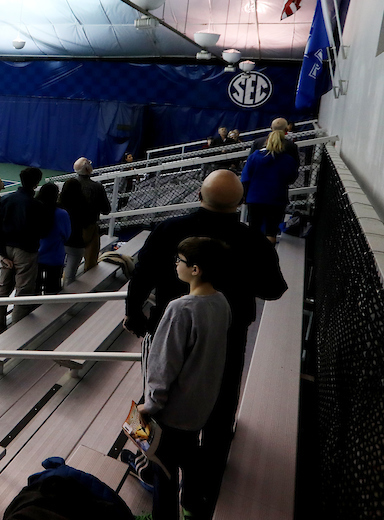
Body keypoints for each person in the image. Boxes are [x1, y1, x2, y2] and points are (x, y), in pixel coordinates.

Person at [123, 169, 287, 517]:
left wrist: (134, 314)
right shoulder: (252, 242)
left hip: (170, 332)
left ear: (199, 195)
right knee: (221, 400)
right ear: (240, 203)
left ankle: (152, 463)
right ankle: (203, 485)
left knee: (159, 397)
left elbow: (143, 273)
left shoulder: (169, 230)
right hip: (228, 337)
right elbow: (273, 289)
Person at [138, 236, 232, 520]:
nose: (175, 264)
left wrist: (149, 406)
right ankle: (192, 505)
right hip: (199, 406)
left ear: (196, 269)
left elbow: (163, 366)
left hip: (171, 412)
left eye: (179, 260)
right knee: (190, 455)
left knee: (162, 469)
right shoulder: (221, 302)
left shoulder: (180, 310)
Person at [0, 167, 52, 334]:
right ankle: (15, 335)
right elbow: (44, 231)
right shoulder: (37, 205)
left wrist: (3, 253)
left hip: (7, 250)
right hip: (26, 252)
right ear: (36, 183)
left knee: (3, 290)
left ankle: (0, 327)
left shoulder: (6, 200)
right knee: (23, 292)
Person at [240, 128, 300, 243]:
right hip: (277, 198)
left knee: (254, 229)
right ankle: (267, 256)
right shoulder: (288, 160)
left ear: (267, 141)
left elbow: (245, 178)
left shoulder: (254, 157)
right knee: (271, 231)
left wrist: (244, 195)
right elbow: (291, 178)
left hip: (255, 198)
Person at [69, 158, 111, 274]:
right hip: (89, 227)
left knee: (70, 263)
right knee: (91, 263)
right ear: (89, 169)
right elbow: (106, 210)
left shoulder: (69, 186)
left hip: (70, 228)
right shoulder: (97, 187)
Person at [36, 182, 72, 295]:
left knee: (35, 287)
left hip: (35, 256)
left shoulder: (34, 209)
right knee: (53, 288)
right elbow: (67, 234)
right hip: (55, 256)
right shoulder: (62, 214)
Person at [58, 178, 91, 285]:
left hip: (59, 242)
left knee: (56, 274)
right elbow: (87, 223)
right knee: (69, 277)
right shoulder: (84, 204)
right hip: (76, 243)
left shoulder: (59, 205)